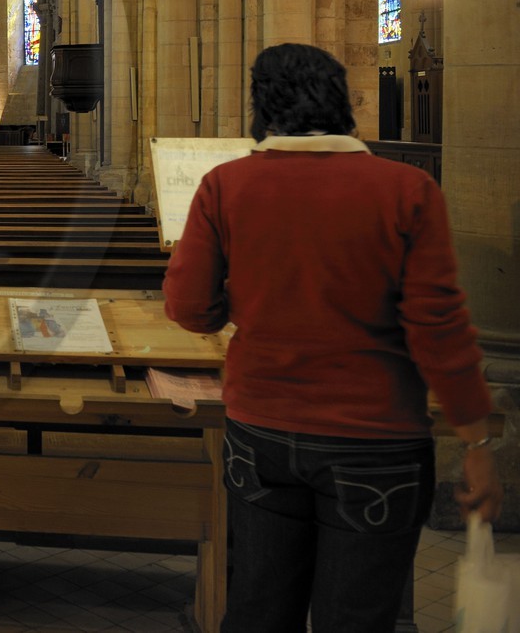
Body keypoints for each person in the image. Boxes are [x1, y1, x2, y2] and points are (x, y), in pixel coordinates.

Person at [163, 43, 500, 633]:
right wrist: (476, 445)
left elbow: (191, 310)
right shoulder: (407, 189)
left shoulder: (226, 186)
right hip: (376, 440)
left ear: (261, 105)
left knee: (260, 611)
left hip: (260, 430)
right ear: (342, 103)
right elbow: (439, 329)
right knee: (358, 618)